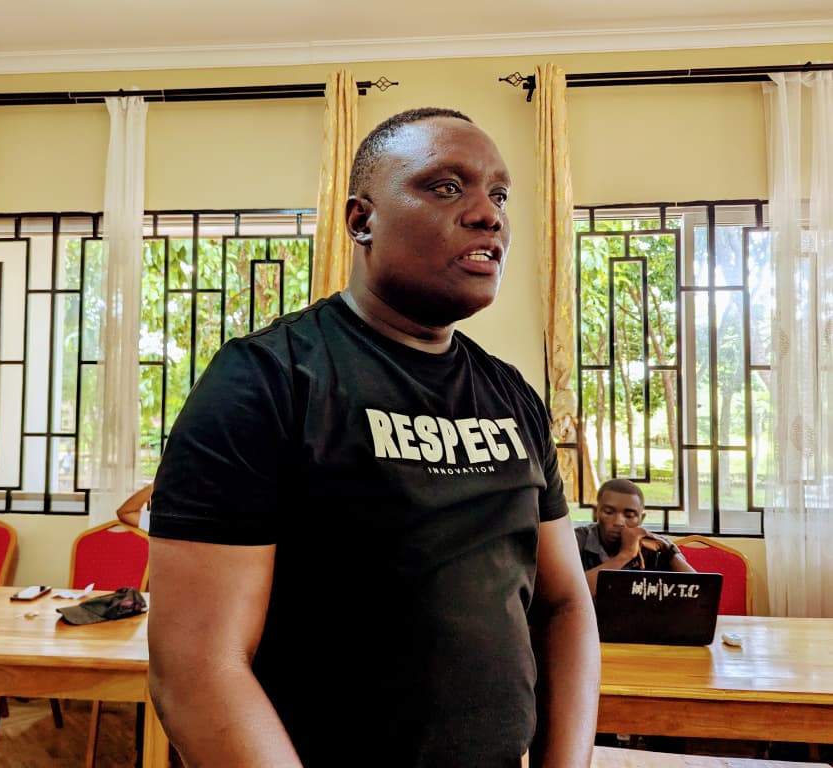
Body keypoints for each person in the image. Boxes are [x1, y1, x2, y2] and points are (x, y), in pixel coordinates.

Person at [146, 107, 600, 767]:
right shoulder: (266, 379)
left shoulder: (512, 395)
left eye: (499, 195)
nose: (488, 215)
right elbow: (196, 668)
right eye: (447, 187)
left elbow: (563, 604)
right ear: (362, 220)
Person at [575, 478, 695, 596]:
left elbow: (699, 592)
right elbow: (571, 594)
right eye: (608, 512)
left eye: (629, 516)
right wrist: (625, 555)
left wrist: (669, 552)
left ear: (641, 519)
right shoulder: (577, 540)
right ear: (596, 512)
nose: (618, 522)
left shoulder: (656, 545)